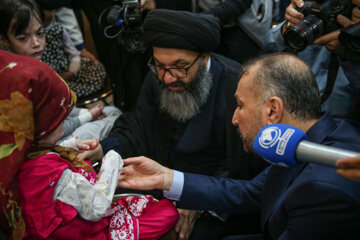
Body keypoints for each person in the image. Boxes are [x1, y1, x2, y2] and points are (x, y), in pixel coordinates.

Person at [117, 53, 360, 240]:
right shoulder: (315, 137)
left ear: (272, 110)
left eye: (240, 105)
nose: (234, 118)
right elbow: (251, 192)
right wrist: (165, 178)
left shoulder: (324, 190)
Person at [86, 8, 266, 240]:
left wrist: (198, 200)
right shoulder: (158, 76)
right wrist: (103, 147)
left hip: (216, 196)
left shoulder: (238, 87)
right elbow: (137, 127)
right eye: (160, 66)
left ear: (204, 57)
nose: (168, 77)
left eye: (180, 67)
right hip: (158, 181)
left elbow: (241, 167)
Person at [0, 49, 179, 239]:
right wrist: (112, 158)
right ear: (41, 127)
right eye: (60, 119)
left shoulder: (16, 156)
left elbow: (44, 156)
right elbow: (97, 206)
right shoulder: (52, 174)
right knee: (168, 212)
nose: (65, 121)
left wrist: (70, 145)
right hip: (88, 231)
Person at [0, 0, 121, 141]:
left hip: (57, 129)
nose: (36, 43)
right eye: (23, 38)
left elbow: (58, 109)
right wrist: (89, 115)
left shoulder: (31, 65)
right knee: (115, 116)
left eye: (40, 33)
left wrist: (85, 111)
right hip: (46, 147)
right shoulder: (23, 76)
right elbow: (52, 133)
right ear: (4, 40)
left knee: (110, 111)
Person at [262, 0, 360, 119]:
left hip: (342, 127)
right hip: (289, 118)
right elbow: (265, 57)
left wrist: (352, 49)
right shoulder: (319, 13)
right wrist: (289, 26)